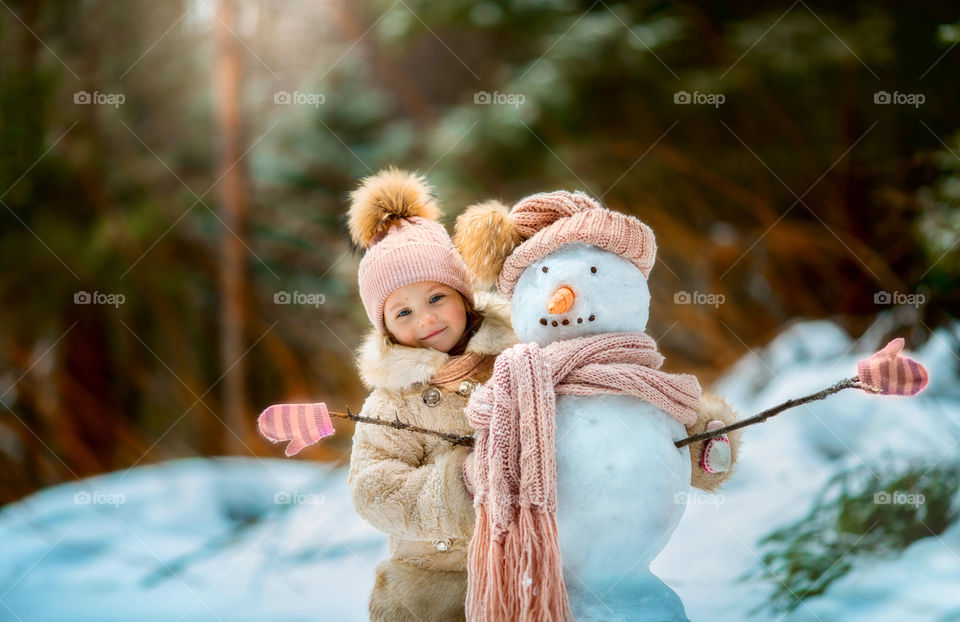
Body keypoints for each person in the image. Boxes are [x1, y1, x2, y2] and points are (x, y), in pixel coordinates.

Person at [345, 168, 516, 621]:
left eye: (437, 298)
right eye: (403, 312)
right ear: (385, 328)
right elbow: (373, 488)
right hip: (435, 585)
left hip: (531, 568)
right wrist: (459, 485)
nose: (426, 320)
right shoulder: (393, 401)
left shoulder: (517, 358)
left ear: (463, 295)